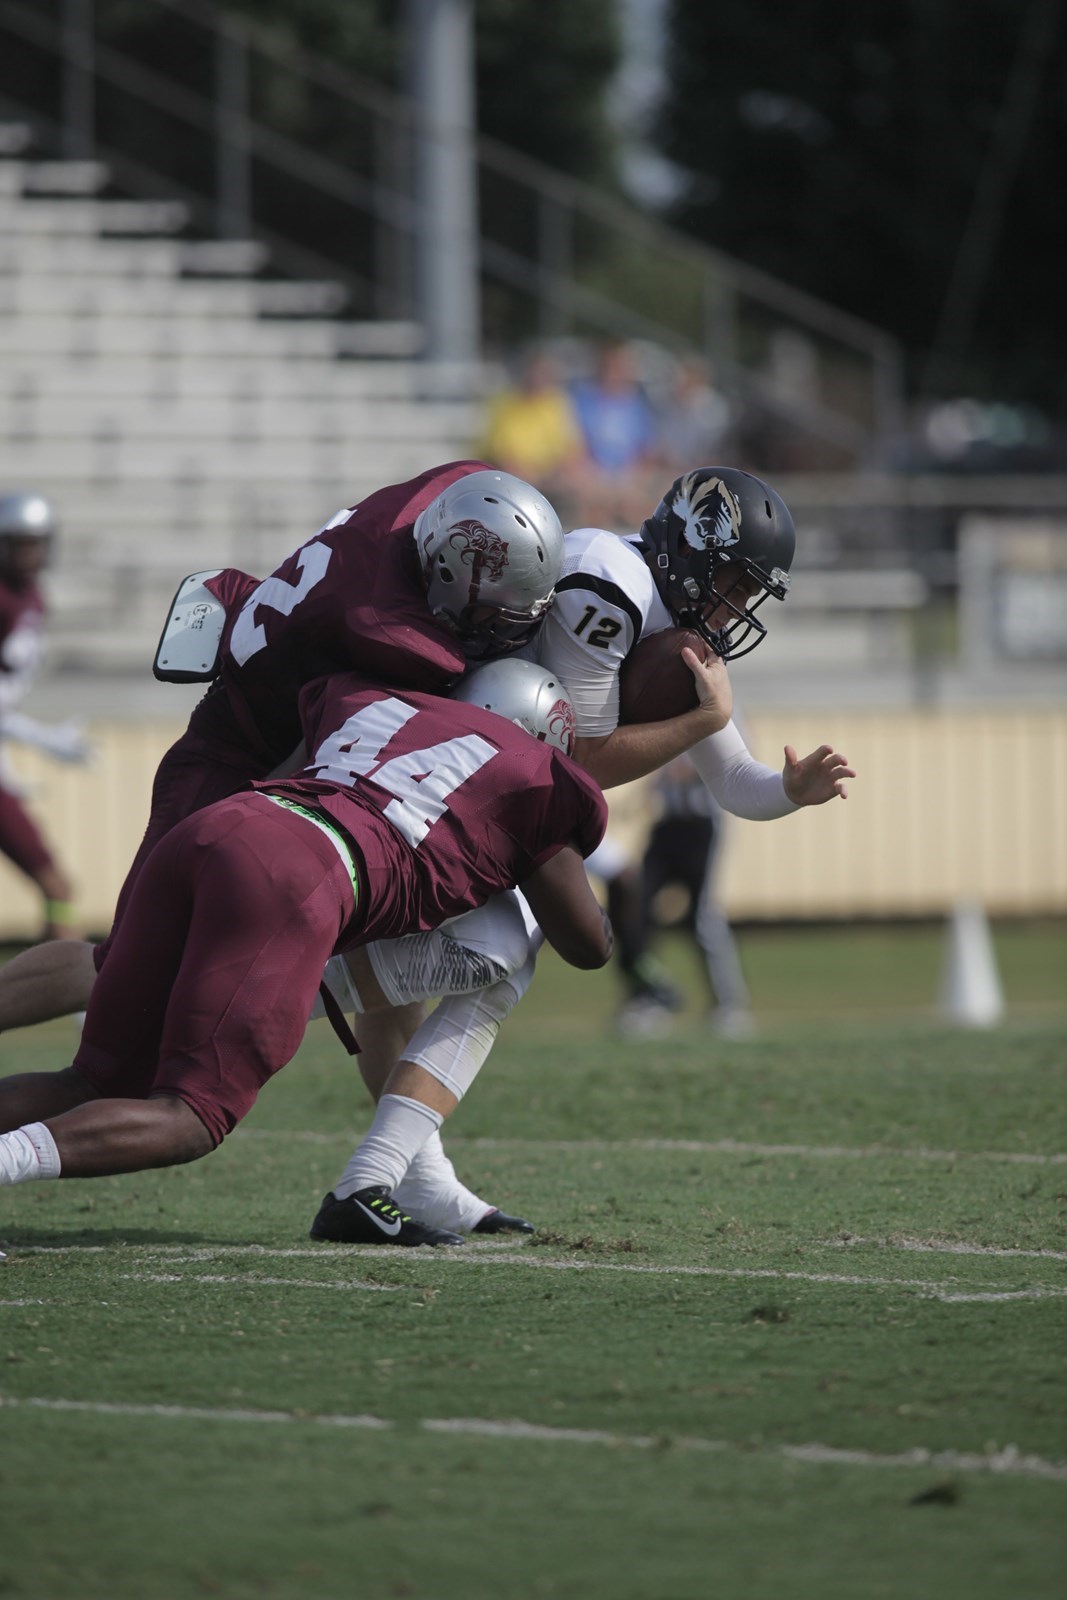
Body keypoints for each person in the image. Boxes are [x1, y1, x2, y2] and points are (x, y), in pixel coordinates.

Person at [314, 466, 856, 1238]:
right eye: (733, 581)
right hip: (439, 767)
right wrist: (697, 725)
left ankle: (396, 1177)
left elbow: (734, 783)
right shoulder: (609, 584)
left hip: (464, 768)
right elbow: (580, 761)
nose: (737, 605)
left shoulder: (663, 613)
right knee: (505, 950)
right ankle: (303, 1037)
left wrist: (788, 789)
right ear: (692, 549)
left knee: (454, 969)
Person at [0, 661, 611, 1251]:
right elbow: (586, 947)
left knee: (93, 1081)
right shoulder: (535, 777)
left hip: (221, 824)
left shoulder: (377, 700)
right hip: (296, 876)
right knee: (192, 1116)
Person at [0, 463, 565, 1026]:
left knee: (364, 963)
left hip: (272, 705)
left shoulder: (429, 503)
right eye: (494, 614)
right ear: (447, 573)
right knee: (124, 966)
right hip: (233, 762)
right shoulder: (398, 639)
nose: (507, 630)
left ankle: (401, 1120)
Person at [0, 492, 91, 941]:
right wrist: (34, 735)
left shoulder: (32, 597)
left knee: (56, 886)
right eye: (20, 543)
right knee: (55, 884)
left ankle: (73, 1001)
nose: (30, 554)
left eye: (36, 543)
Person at [616, 754, 753, 1040]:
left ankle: (729, 1006)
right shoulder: (663, 713)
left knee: (703, 918)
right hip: (666, 825)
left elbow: (737, 765)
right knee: (636, 912)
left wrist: (686, 769)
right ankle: (646, 998)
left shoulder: (724, 714)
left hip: (700, 827)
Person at [478, 347, 585, 498]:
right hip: (512, 478)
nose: (539, 380)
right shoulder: (505, 404)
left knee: (582, 482)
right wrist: (537, 478)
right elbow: (503, 457)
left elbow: (571, 451)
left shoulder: (555, 404)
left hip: (547, 477)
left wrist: (557, 474)